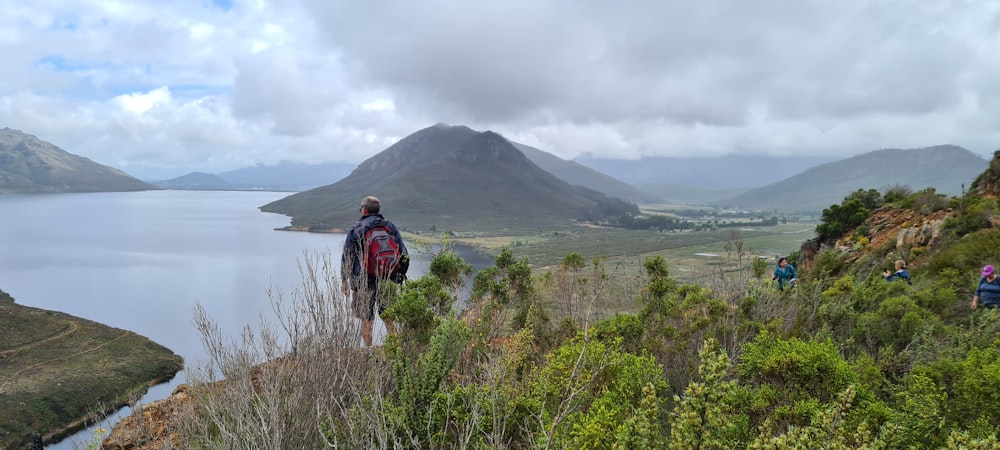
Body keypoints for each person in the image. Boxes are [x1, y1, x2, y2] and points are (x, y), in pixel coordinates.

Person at [340, 196, 408, 348]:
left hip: (364, 282)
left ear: (364, 209)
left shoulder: (356, 228)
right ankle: (395, 351)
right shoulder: (390, 226)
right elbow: (403, 252)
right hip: (388, 279)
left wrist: (344, 279)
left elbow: (347, 256)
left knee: (367, 321)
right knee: (389, 318)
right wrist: (401, 273)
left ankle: (369, 353)